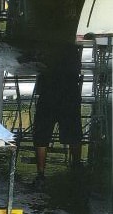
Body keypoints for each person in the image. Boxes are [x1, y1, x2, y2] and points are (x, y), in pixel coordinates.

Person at [32, 43, 83, 189]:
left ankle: (41, 174)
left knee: (42, 134)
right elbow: (76, 68)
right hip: (69, 93)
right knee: (73, 132)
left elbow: (38, 65)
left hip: (49, 94)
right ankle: (76, 166)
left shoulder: (46, 46)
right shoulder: (71, 48)